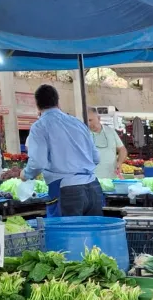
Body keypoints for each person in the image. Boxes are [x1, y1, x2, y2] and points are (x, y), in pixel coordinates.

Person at [23, 84, 102, 217]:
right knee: (92, 235)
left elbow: (38, 163)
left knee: (66, 236)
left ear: (37, 105)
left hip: (66, 190)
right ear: (58, 102)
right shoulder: (78, 123)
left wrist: (25, 174)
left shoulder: (40, 126)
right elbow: (96, 158)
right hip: (93, 188)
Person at [87, 108, 127, 180]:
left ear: (99, 118)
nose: (89, 123)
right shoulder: (83, 134)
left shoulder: (110, 131)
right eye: (86, 121)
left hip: (111, 177)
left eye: (90, 120)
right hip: (91, 179)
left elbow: (122, 149)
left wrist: (119, 162)